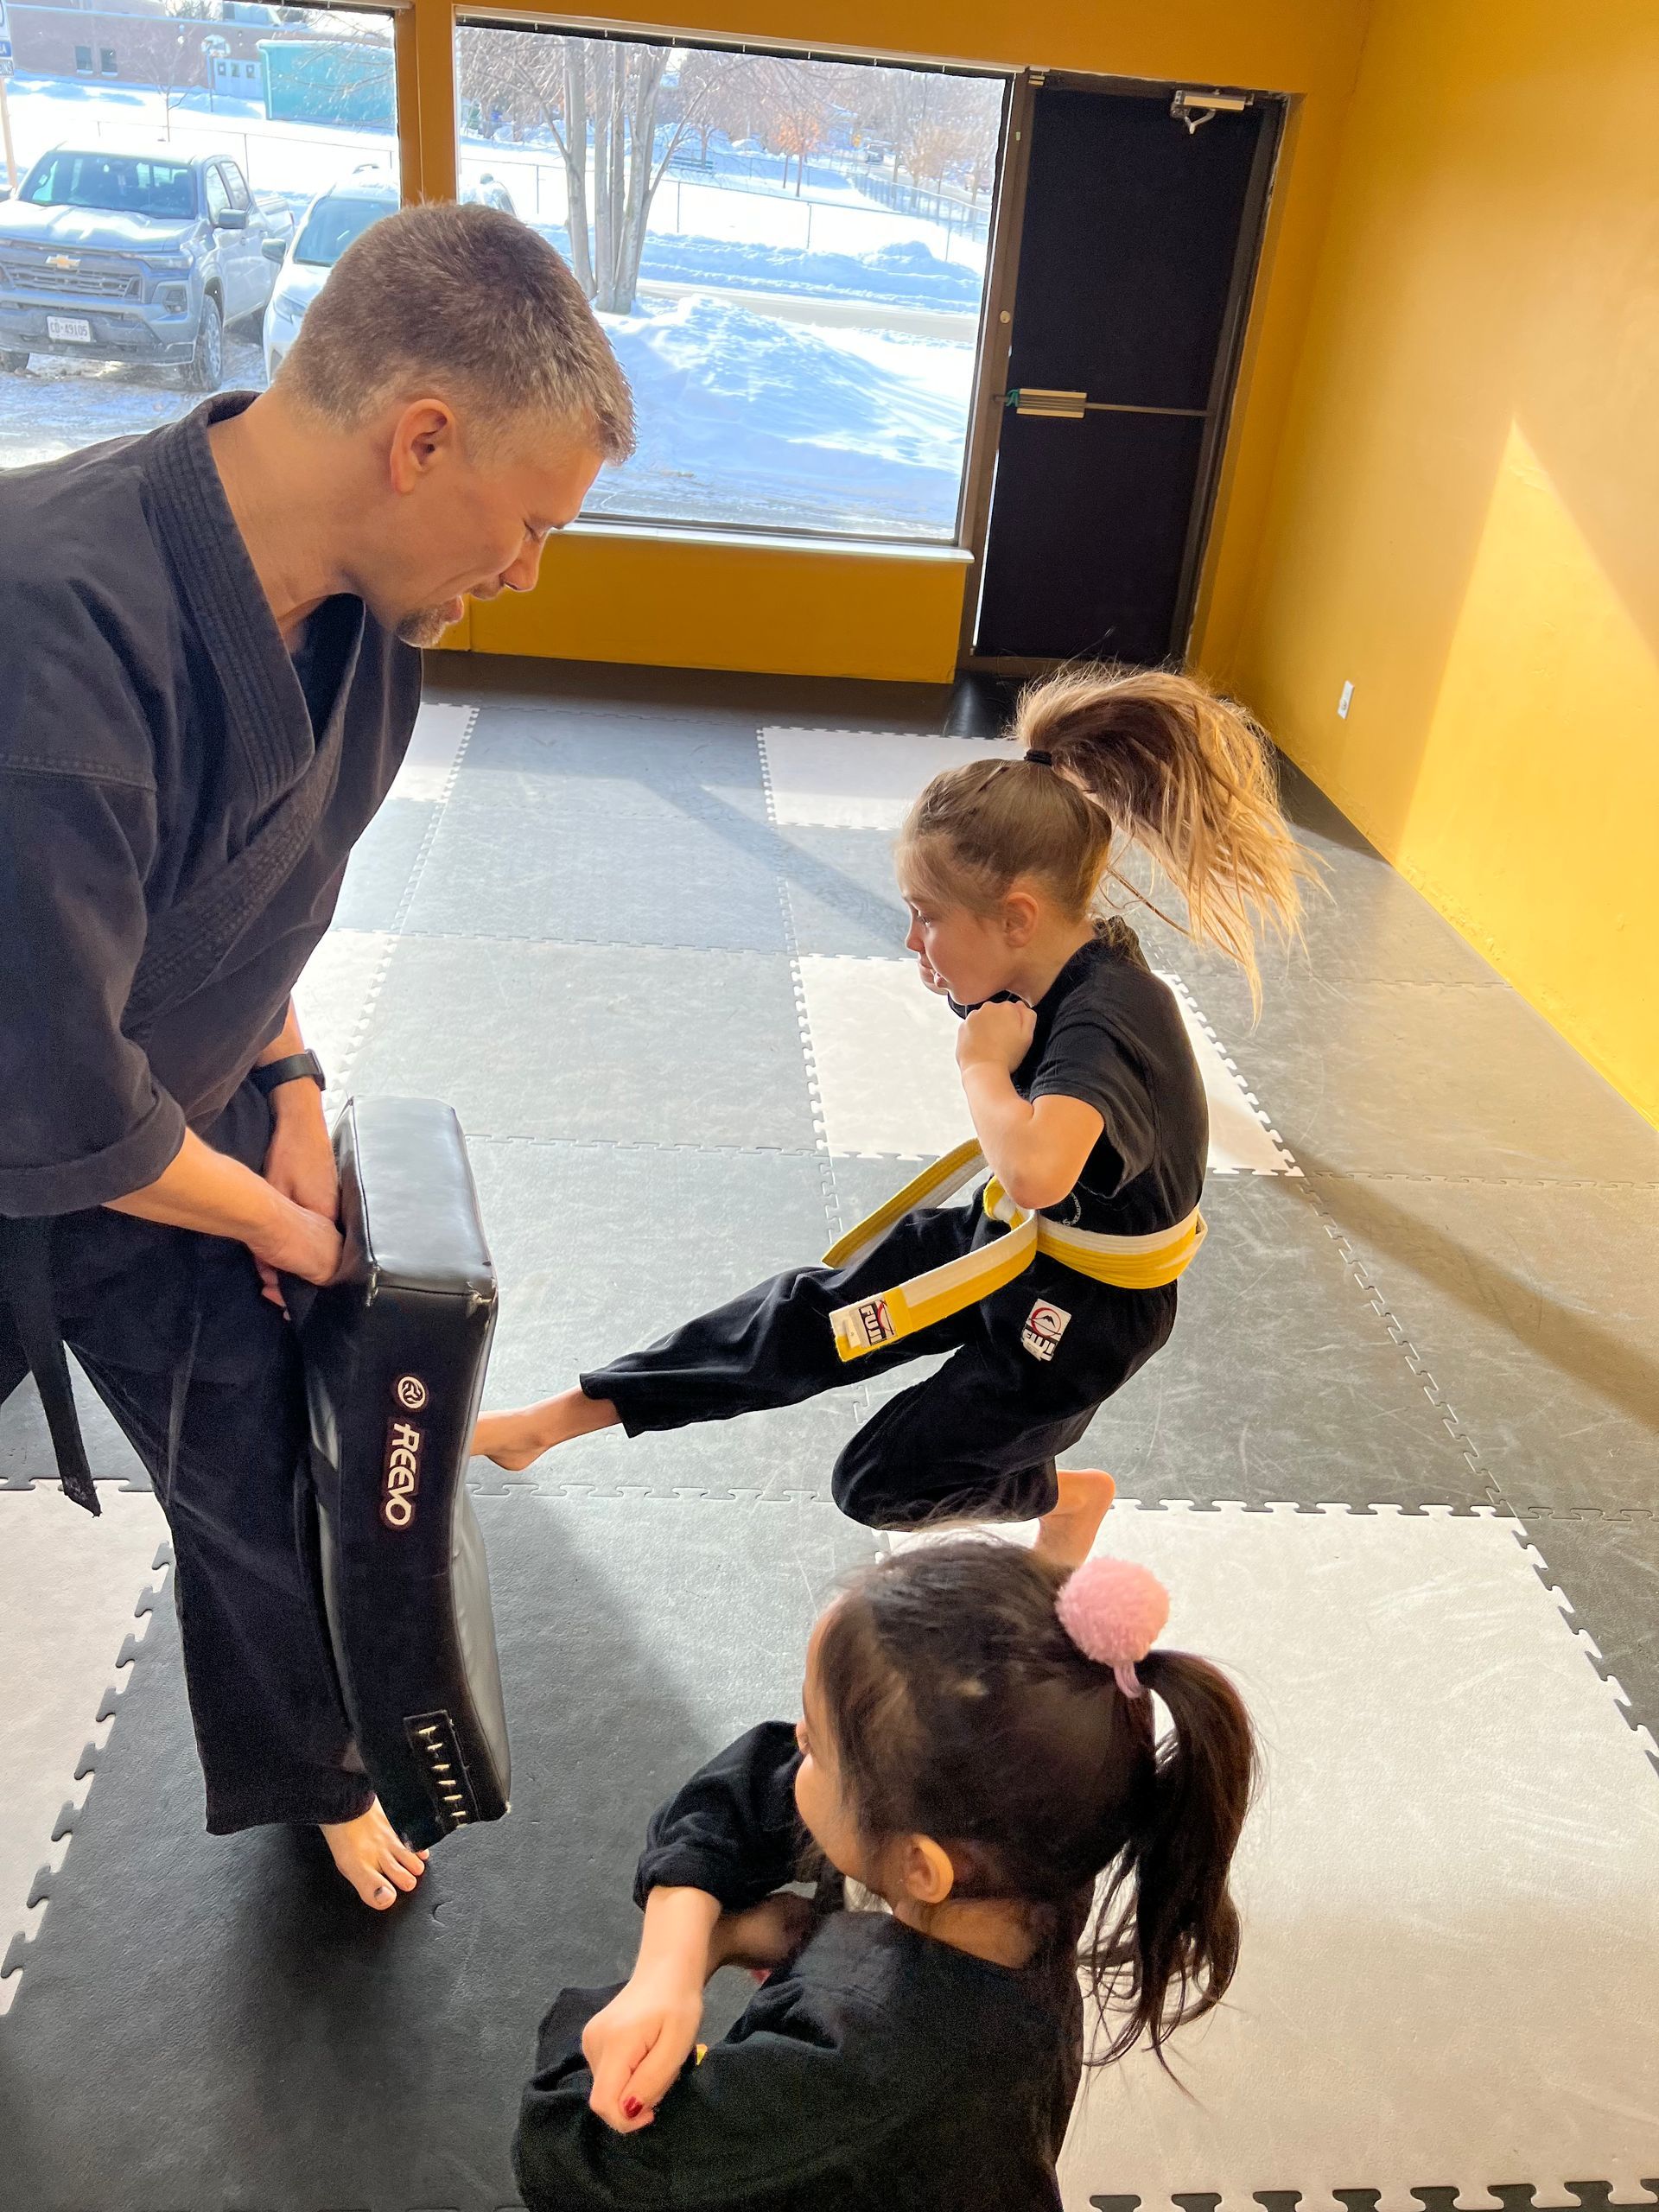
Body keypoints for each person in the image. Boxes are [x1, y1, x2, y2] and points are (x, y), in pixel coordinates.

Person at [0, 202, 633, 1907]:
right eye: (530, 522)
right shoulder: (51, 630)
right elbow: (59, 1091)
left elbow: (240, 898)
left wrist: (289, 1084)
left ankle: (314, 1764)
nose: (527, 569)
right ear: (420, 440)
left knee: (263, 1459)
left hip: (177, 1111)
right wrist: (288, 1226)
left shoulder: (365, 626)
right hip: (44, 1122)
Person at [474, 665, 1314, 1565]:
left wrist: (979, 1064)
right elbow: (1019, 1124)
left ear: (1018, 918)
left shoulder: (1107, 1019)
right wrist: (967, 996)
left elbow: (1039, 1169)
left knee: (879, 1482)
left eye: (926, 917)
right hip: (1009, 1240)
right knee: (805, 1318)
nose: (912, 940)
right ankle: (551, 1422)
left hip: (1085, 1311)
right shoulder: (1045, 958)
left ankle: (1065, 1499)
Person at [514, 1536, 1256, 2212]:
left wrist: (703, 1950)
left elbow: (576, 2160)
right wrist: (667, 1970)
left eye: (816, 1745)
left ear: (919, 1867)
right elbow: (745, 1793)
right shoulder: (1025, 1852)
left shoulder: (867, 2080)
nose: (794, 1743)